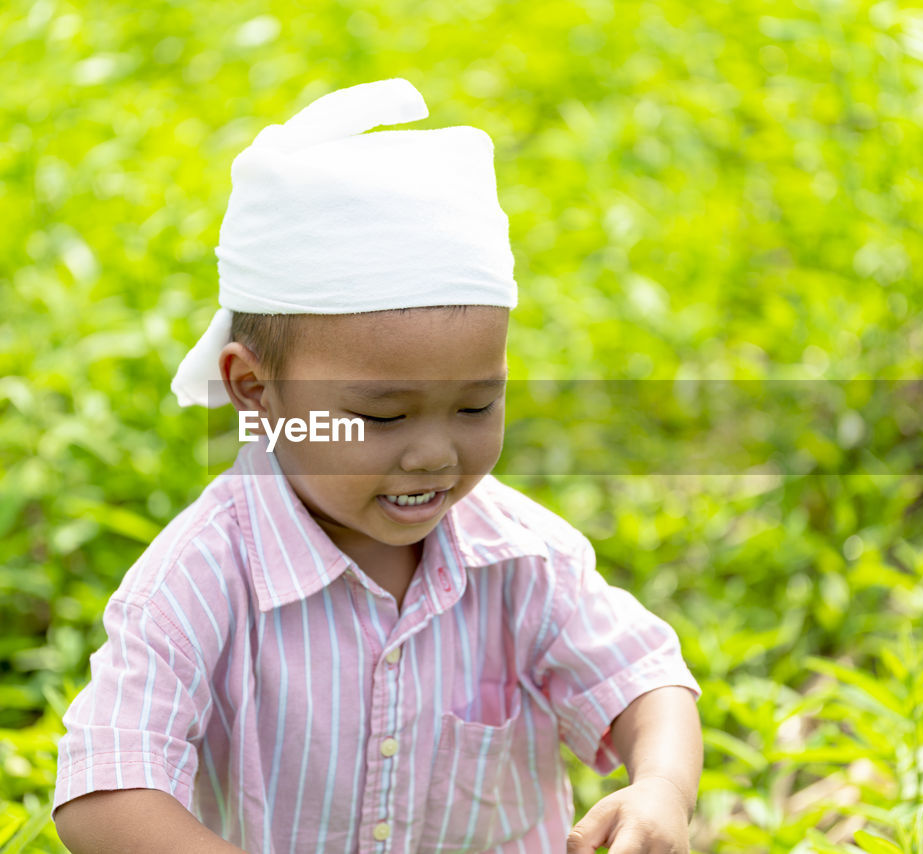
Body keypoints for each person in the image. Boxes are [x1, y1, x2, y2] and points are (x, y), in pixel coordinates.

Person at [51, 78, 702, 854]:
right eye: (382, 416)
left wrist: (660, 787)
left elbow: (644, 683)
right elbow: (104, 790)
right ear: (255, 392)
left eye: (474, 407)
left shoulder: (523, 559)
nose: (434, 452)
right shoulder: (203, 579)